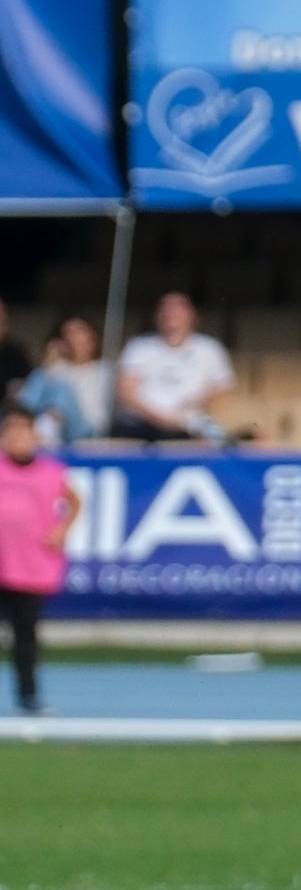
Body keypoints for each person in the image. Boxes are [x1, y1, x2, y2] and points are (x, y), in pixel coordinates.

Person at [0, 402, 80, 715]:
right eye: (11, 430)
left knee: (25, 637)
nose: (18, 437)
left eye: (24, 430)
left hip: (30, 566)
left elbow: (75, 501)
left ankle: (28, 697)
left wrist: (62, 531)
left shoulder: (51, 472)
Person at [112, 292, 235, 442]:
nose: (170, 314)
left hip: (189, 424)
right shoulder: (139, 347)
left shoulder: (210, 349)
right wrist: (161, 419)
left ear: (192, 315)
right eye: (166, 309)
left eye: (178, 309)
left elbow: (222, 388)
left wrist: (192, 405)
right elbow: (126, 392)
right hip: (140, 425)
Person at [22, 317, 112, 447]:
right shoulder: (57, 368)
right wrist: (51, 362)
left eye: (78, 332)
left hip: (87, 429)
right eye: (68, 333)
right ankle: (27, 427)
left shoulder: (104, 369)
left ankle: (44, 430)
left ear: (92, 337)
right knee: (39, 377)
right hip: (54, 425)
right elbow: (31, 398)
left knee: (64, 387)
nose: (73, 338)